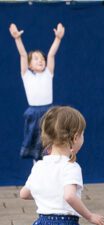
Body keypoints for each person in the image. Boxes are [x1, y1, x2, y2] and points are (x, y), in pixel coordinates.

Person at [9, 22, 64, 161]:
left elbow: (51, 54)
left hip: (49, 112)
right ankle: (37, 170)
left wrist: (58, 38)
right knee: (36, 146)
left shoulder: (48, 73)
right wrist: (17, 39)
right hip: (34, 113)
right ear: (29, 65)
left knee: (50, 144)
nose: (41, 61)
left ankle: (51, 170)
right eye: (36, 59)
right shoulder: (26, 75)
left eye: (42, 59)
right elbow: (22, 54)